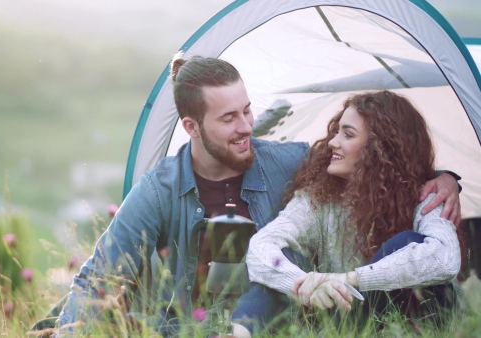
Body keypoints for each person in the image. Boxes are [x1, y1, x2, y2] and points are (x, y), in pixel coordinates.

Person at [53, 54, 461, 336]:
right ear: (192, 127)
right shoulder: (159, 191)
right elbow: (98, 278)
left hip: (277, 321)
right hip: (193, 327)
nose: (247, 126)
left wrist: (443, 178)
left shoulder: (285, 162)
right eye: (229, 118)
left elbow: (379, 161)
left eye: (247, 110)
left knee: (292, 258)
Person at [246, 90, 463, 336]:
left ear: (381, 148)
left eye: (347, 134)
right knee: (282, 259)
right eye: (336, 131)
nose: (332, 142)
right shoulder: (316, 199)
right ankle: (235, 333)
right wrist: (301, 285)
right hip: (348, 322)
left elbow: (445, 259)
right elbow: (260, 247)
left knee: (406, 244)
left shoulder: (427, 196)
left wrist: (350, 279)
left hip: (414, 325)